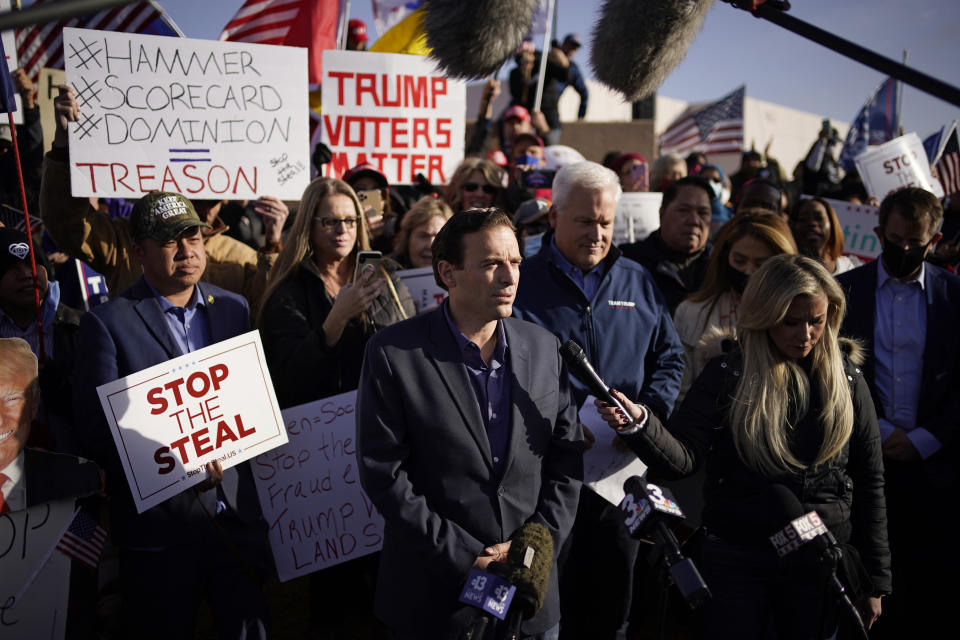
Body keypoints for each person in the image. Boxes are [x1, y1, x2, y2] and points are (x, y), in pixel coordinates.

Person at [598, 254, 890, 638]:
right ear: (765, 314)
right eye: (792, 321)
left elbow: (870, 480)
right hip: (738, 561)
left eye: (816, 321)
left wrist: (876, 582)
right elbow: (682, 456)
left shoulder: (848, 379)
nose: (805, 334)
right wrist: (642, 425)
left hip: (819, 563)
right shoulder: (727, 374)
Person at [356, 207, 584, 638]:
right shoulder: (394, 354)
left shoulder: (545, 347)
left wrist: (532, 546)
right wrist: (467, 556)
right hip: (435, 600)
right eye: (491, 263)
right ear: (448, 272)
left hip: (530, 600)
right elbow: (384, 474)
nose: (509, 276)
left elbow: (566, 459)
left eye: (515, 261)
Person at [73, 192, 272, 639]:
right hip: (159, 535)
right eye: (169, 242)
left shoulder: (234, 309)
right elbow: (95, 430)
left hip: (234, 523)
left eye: (193, 236)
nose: (187, 251)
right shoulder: (107, 323)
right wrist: (180, 462)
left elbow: (250, 404)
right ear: (138, 250)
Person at [513, 161, 685, 640]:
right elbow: (506, 372)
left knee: (613, 606)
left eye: (605, 222)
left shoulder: (638, 279)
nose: (597, 232)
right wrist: (566, 424)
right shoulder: (521, 281)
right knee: (547, 610)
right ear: (554, 218)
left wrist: (645, 420)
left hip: (622, 479)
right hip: (548, 478)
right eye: (585, 221)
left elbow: (670, 359)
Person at [836, 187, 960, 638]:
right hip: (867, 465)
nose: (904, 250)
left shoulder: (953, 295)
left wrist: (926, 439)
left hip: (938, 470)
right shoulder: (847, 292)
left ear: (936, 239)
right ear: (878, 233)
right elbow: (835, 373)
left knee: (930, 590)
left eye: (916, 242)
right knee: (868, 590)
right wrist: (881, 432)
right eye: (895, 239)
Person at [41, 86, 286, 310]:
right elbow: (68, 224)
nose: (205, 210)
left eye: (214, 201)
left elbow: (266, 311)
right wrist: (64, 148)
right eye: (197, 198)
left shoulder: (240, 256)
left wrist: (273, 246)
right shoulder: (126, 240)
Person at [258, 177, 414, 409]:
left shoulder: (386, 277)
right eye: (330, 221)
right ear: (309, 225)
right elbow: (288, 379)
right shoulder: (289, 291)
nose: (342, 230)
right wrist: (336, 320)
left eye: (350, 220)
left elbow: (410, 356)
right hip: (326, 428)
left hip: (386, 417)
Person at [673, 211, 797, 400]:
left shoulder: (798, 317)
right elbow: (681, 393)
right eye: (739, 261)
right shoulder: (691, 312)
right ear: (725, 257)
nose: (749, 271)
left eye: (761, 264)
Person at [0, 227, 83, 453]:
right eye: (12, 268)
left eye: (32, 264)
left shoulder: (81, 326)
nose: (27, 274)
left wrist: (62, 388)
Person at [620, 176, 714, 313]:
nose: (694, 220)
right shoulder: (628, 263)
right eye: (683, 210)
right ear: (661, 214)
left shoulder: (722, 265)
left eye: (703, 213)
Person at [791, 197, 861, 275]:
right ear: (793, 227)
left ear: (832, 224)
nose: (812, 223)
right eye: (803, 219)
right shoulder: (789, 271)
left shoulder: (850, 266)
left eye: (819, 218)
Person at [390, 195, 453, 269]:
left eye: (439, 238)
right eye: (424, 236)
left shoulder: (461, 276)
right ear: (407, 239)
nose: (431, 245)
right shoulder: (386, 272)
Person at [556, 34, 589, 121]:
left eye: (575, 48)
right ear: (563, 45)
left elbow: (584, 92)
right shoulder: (548, 60)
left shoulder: (573, 69)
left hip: (550, 110)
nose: (572, 50)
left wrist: (581, 116)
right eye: (570, 46)